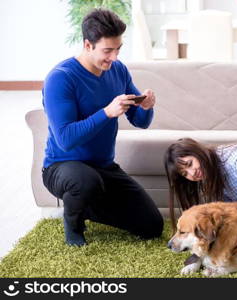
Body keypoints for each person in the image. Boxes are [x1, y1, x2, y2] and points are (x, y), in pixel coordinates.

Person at [42, 8, 163, 246]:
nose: (114, 57)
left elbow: (140, 122)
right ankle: (73, 225)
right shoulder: (61, 78)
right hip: (62, 167)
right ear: (88, 45)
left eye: (118, 49)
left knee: (152, 226)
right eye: (107, 51)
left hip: (104, 167)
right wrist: (107, 113)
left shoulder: (118, 70)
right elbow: (66, 139)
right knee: (85, 182)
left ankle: (85, 204)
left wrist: (146, 107)